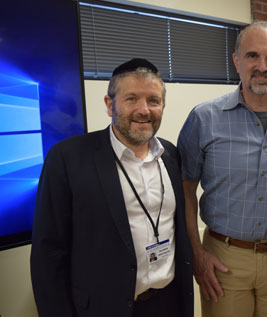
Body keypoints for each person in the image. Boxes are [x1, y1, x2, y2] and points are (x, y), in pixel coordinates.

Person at [177, 21, 267, 317]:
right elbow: (185, 189)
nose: (262, 66)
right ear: (236, 61)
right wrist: (196, 252)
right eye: (252, 56)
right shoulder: (204, 118)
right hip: (224, 258)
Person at [30, 58, 193, 317]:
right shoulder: (68, 158)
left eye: (153, 100)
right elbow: (48, 254)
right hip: (104, 307)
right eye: (131, 99)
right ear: (110, 105)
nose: (144, 110)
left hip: (169, 302)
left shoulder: (171, 155)